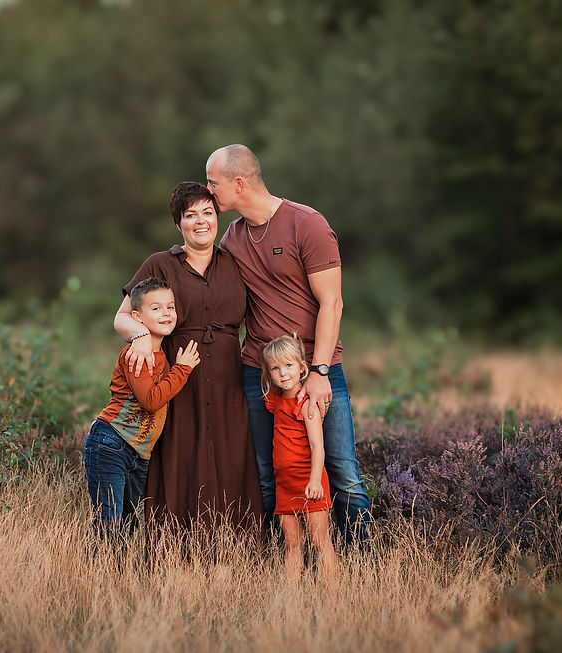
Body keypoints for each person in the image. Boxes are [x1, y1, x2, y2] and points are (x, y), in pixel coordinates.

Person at [206, 143, 373, 548]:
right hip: (258, 373)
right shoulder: (233, 237)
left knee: (342, 469)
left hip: (314, 369)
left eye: (213, 184)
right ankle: (282, 563)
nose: (209, 192)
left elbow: (332, 302)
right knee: (268, 471)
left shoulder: (307, 224)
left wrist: (317, 373)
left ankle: (362, 566)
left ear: (239, 182)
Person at [115, 182, 264, 543]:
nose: (201, 222)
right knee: (181, 455)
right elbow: (122, 317)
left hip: (229, 375)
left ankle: (235, 551)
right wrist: (139, 338)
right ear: (179, 223)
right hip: (177, 377)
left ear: (218, 217)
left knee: (231, 457)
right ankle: (175, 549)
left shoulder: (237, 262)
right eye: (190, 215)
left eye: (207, 213)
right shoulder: (161, 263)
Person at [85, 277, 200, 536]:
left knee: (127, 524)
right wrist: (183, 370)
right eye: (156, 308)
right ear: (137, 317)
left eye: (170, 307)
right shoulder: (136, 355)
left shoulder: (161, 357)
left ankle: (116, 575)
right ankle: (95, 575)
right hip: (111, 444)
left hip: (139, 454)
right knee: (109, 521)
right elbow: (151, 401)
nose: (166, 313)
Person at [261, 334, 338, 580]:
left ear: (302, 367)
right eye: (275, 368)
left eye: (289, 365)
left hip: (309, 481)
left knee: (319, 541)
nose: (283, 373)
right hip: (285, 484)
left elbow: (318, 447)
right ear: (268, 373)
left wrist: (315, 480)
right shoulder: (275, 401)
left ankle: (333, 595)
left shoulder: (306, 404)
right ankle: (291, 597)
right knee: (292, 544)